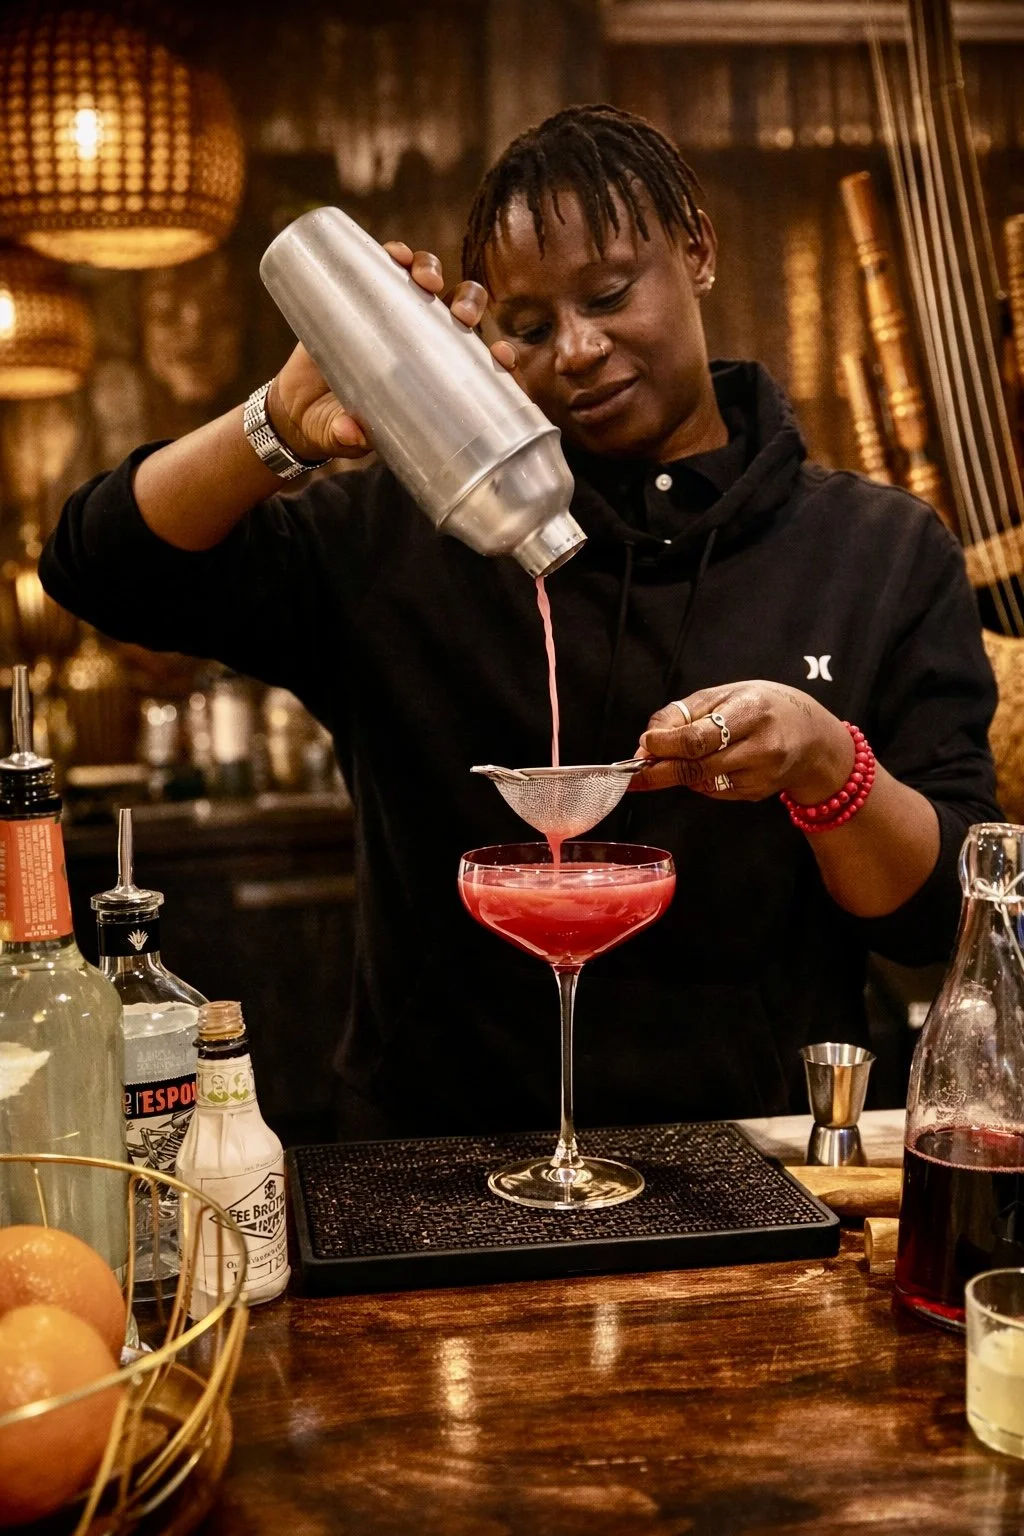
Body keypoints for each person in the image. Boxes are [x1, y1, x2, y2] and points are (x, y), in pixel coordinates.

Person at [41, 104, 1000, 1139]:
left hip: (751, 1156)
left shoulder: (877, 551)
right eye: (530, 328)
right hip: (429, 1156)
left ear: (697, 250)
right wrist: (277, 422)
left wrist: (825, 762)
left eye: (609, 294)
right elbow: (98, 568)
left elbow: (945, 921)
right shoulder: (401, 529)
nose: (578, 350)